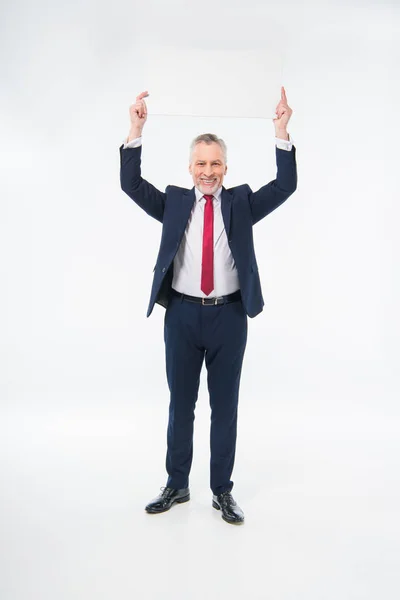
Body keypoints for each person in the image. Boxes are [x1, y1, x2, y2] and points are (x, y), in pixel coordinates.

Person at [119, 88, 297, 525]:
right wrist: (136, 129)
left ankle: (221, 490)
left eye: (215, 163)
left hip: (229, 317)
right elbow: (130, 185)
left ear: (226, 168)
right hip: (180, 315)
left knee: (225, 406)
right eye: (201, 163)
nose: (208, 171)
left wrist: (281, 132)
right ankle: (177, 484)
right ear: (190, 167)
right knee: (181, 404)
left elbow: (286, 185)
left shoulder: (241, 202)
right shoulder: (175, 200)